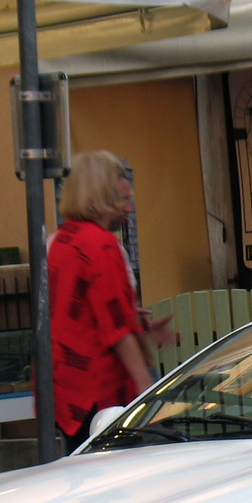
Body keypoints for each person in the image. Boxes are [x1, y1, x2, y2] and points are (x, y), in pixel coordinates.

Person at [46, 151, 157, 450]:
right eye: (123, 200)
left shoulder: (60, 242)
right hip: (104, 395)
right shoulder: (102, 245)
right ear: (102, 198)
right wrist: (147, 389)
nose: (129, 209)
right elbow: (115, 329)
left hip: (70, 394)